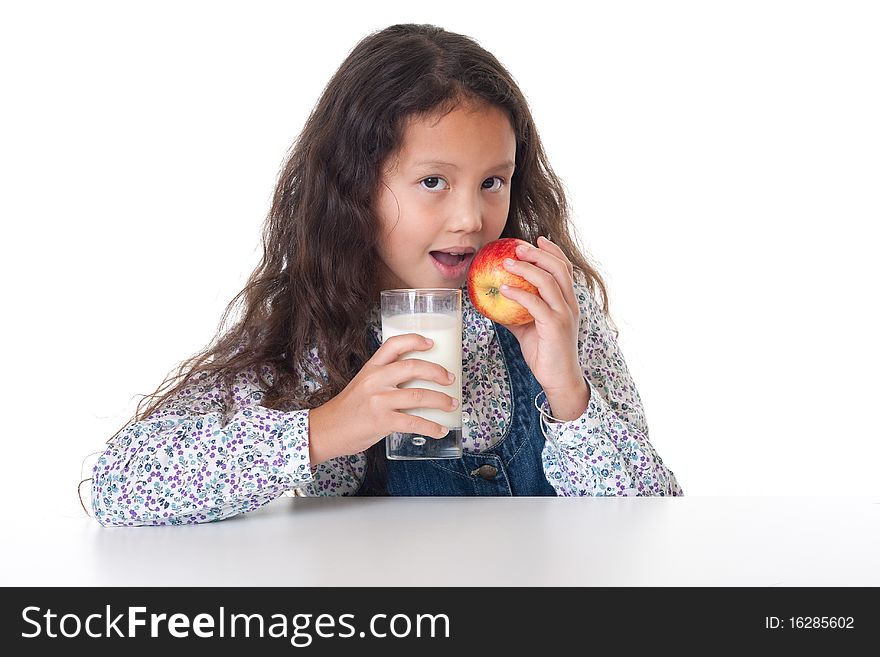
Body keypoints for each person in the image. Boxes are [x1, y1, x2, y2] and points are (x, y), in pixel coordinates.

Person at [88, 23, 682, 526]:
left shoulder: (550, 305)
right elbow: (120, 483)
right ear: (355, 189)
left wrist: (568, 390)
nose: (470, 219)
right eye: (432, 182)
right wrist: (329, 428)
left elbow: (655, 524)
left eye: (492, 182)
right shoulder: (318, 326)